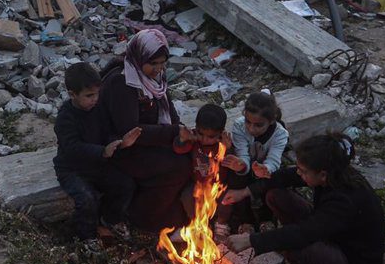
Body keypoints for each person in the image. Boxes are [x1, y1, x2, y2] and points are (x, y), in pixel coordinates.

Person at [225, 133, 385, 264]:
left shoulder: (343, 201)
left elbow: (304, 233)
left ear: (322, 174)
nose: (298, 173)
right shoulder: (333, 172)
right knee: (275, 195)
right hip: (329, 231)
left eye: (303, 171)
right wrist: (245, 192)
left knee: (292, 247)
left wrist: (251, 240)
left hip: (353, 260)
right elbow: (285, 176)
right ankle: (300, 245)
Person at [97, 28, 192, 230]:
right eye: (153, 63)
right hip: (122, 148)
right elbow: (130, 129)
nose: (158, 68)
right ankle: (142, 217)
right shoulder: (122, 82)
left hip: (148, 141)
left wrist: (180, 132)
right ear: (139, 58)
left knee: (190, 157)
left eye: (162, 63)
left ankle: (166, 213)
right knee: (177, 167)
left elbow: (169, 109)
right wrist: (173, 132)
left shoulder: (155, 78)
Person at [54, 62, 140, 245]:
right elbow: (72, 148)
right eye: (89, 95)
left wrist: (120, 142)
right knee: (86, 199)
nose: (94, 99)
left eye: (97, 94)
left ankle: (111, 218)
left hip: (97, 165)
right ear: (72, 95)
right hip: (72, 169)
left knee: (125, 185)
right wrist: (102, 151)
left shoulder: (98, 109)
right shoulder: (65, 117)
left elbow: (107, 132)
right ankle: (86, 237)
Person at [217, 91, 290, 235]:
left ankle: (266, 218)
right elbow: (242, 153)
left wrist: (265, 169)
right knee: (236, 177)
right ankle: (246, 219)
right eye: (248, 122)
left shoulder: (280, 134)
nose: (251, 129)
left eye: (258, 125)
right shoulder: (239, 127)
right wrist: (242, 165)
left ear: (271, 120)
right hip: (247, 167)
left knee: (270, 181)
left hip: (264, 170)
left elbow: (274, 160)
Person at [173, 103, 247, 213]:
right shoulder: (193, 139)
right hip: (197, 184)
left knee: (226, 201)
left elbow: (232, 163)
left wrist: (229, 148)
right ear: (196, 127)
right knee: (187, 197)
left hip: (219, 186)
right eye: (200, 133)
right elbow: (179, 149)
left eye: (211, 137)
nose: (204, 139)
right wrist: (183, 139)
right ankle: (195, 224)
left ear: (220, 133)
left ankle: (221, 223)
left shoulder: (223, 144)